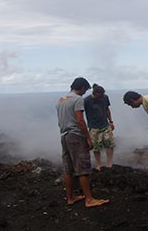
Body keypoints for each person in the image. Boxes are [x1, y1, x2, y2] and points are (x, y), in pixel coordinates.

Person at [56, 77, 109, 207]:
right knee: (83, 168)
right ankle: (89, 200)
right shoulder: (78, 99)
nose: (85, 93)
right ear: (82, 87)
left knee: (68, 169)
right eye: (85, 90)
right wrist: (88, 138)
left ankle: (70, 197)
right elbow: (80, 120)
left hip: (64, 135)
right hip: (76, 136)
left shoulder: (61, 100)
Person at [84, 84, 115, 171]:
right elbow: (81, 113)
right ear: (95, 93)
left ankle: (109, 163)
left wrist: (111, 121)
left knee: (110, 144)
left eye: (102, 95)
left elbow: (107, 109)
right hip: (93, 127)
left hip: (105, 125)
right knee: (96, 147)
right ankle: (99, 164)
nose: (101, 97)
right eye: (100, 95)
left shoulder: (105, 97)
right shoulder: (86, 100)